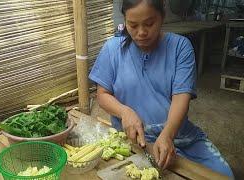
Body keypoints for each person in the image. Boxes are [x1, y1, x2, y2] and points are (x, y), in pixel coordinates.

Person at [88, 0, 234, 178]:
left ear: (162, 16)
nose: (141, 32)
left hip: (178, 134)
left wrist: (167, 135)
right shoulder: (112, 50)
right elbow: (102, 95)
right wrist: (124, 111)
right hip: (135, 140)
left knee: (224, 175)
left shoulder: (180, 47)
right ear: (125, 21)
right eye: (133, 25)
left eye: (150, 24)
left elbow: (182, 97)